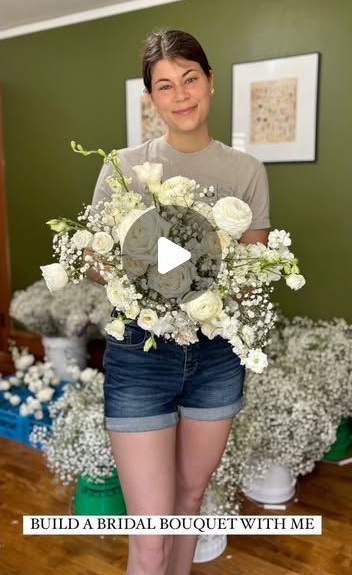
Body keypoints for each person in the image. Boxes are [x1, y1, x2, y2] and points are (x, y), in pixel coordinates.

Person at [88, 29, 271, 575]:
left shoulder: (246, 172)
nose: (181, 94)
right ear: (151, 98)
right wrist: (149, 276)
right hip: (139, 359)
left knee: (188, 507)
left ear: (210, 81)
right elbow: (97, 260)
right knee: (148, 537)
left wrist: (197, 276)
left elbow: (254, 271)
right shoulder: (122, 167)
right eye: (165, 86)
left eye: (190, 78)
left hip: (216, 357)